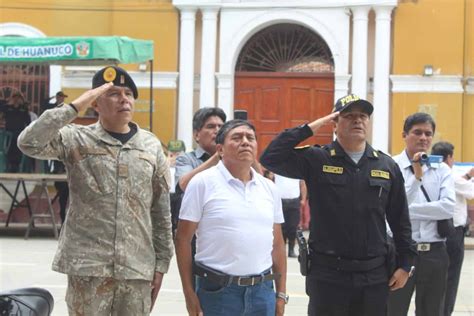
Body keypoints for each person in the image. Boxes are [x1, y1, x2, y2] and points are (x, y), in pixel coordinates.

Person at [18, 65, 174, 316]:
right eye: (113, 93)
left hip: (136, 268)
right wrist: (74, 106)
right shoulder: (75, 138)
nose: (124, 99)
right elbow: (29, 142)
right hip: (89, 268)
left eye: (128, 94)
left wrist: (161, 264)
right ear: (95, 103)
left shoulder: (150, 145)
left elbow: (160, 210)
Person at [260, 94, 417, 316]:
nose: (357, 121)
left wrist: (405, 264)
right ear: (334, 124)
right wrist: (312, 127)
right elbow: (270, 157)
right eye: (349, 116)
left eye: (363, 116)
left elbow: (400, 219)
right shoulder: (317, 159)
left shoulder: (386, 165)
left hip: (373, 276)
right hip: (328, 276)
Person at [175, 119, 287, 316]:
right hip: (218, 293)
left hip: (262, 293)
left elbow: (277, 244)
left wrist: (281, 295)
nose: (245, 142)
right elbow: (183, 239)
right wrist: (189, 294)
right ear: (220, 149)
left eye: (250, 138)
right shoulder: (201, 183)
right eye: (236, 138)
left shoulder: (269, 188)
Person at [387, 113, 456, 316]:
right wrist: (416, 177)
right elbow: (388, 210)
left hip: (434, 253)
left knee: (432, 311)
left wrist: (404, 212)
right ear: (404, 135)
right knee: (394, 309)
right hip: (400, 251)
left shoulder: (442, 169)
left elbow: (447, 207)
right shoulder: (391, 166)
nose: (423, 138)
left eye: (428, 133)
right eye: (417, 132)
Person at [431, 141, 474, 316]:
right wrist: (470, 176)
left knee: (438, 278)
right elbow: (471, 192)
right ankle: (445, 312)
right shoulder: (450, 175)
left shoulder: (433, 173)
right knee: (451, 277)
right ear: (448, 157)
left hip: (438, 232)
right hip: (453, 232)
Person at [174, 107, 226, 194]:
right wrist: (216, 157)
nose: (217, 131)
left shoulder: (231, 158)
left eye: (221, 127)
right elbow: (183, 185)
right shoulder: (186, 158)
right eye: (211, 127)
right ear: (196, 135)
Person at [274, 173, 307, 257]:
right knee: (282, 228)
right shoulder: (278, 169)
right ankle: (282, 250)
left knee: (293, 227)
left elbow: (302, 184)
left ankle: (291, 250)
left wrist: (303, 199)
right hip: (280, 201)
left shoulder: (296, 170)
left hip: (294, 201)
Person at [4, 91, 30, 172]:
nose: (16, 99)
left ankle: (16, 166)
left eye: (18, 98)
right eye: (14, 97)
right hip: (9, 132)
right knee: (9, 149)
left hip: (19, 132)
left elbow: (27, 120)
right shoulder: (8, 108)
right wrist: (8, 102)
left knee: (18, 149)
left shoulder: (23, 108)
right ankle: (9, 166)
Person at [167, 139, 186, 237]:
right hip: (169, 200)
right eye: (171, 155)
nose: (174, 158)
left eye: (178, 155)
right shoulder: (165, 169)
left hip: (180, 201)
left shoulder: (187, 170)